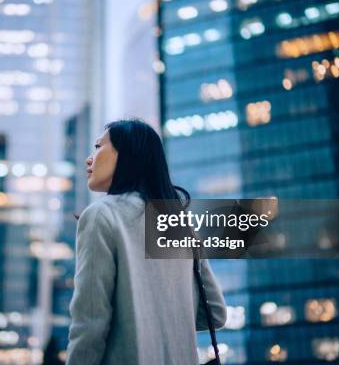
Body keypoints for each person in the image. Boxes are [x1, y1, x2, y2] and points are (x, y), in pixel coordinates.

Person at [66, 119, 227, 365]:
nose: (89, 159)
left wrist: (138, 317)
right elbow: (215, 313)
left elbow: (90, 322)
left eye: (99, 147)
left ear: (128, 154)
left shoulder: (102, 215)